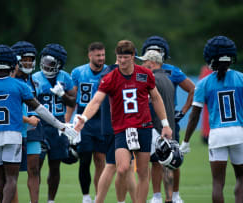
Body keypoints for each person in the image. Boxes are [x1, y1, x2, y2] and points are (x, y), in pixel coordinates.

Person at [0, 45, 77, 203]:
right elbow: (39, 109)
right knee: (12, 178)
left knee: (0, 177)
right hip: (14, 132)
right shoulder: (19, 85)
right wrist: (61, 125)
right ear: (13, 63)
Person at [74, 40, 173, 203]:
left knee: (142, 172)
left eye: (125, 57)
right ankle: (121, 200)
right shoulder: (110, 77)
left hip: (143, 127)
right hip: (121, 129)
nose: (121, 61)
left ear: (133, 56)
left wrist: (166, 124)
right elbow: (96, 101)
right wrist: (83, 118)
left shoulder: (145, 74)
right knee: (122, 168)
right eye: (119, 57)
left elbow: (156, 98)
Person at [180, 36, 243, 203]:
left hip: (217, 134)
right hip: (238, 133)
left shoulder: (204, 83)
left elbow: (194, 115)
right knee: (242, 178)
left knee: (218, 183)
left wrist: (186, 141)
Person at [141, 36, 195, 203]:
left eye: (157, 51)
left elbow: (193, 89)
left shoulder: (173, 71)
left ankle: (175, 195)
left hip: (169, 120)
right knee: (155, 161)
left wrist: (184, 111)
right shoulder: (144, 72)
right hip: (150, 120)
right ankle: (157, 196)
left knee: (173, 159)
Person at [32, 43, 76, 203]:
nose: (46, 64)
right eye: (45, 60)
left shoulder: (65, 77)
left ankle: (51, 200)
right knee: (36, 166)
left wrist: (62, 94)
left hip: (58, 126)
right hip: (40, 125)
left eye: (51, 62)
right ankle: (34, 199)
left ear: (59, 63)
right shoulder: (35, 78)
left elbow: (72, 102)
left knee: (55, 165)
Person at [67, 42, 107, 203]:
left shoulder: (109, 72)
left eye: (103, 55)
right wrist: (67, 122)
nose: (101, 59)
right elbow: (71, 100)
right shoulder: (78, 72)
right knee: (84, 160)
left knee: (100, 159)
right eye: (98, 55)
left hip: (102, 119)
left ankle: (98, 197)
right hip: (83, 120)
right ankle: (86, 197)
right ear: (90, 55)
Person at [94, 61, 137, 203]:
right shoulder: (113, 73)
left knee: (129, 167)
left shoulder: (109, 72)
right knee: (112, 166)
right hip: (116, 127)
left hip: (119, 127)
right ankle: (99, 201)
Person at [137, 50, 176, 203]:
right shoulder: (167, 79)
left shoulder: (151, 78)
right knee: (166, 164)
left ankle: (154, 197)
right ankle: (168, 198)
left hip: (154, 127)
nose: (141, 65)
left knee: (145, 165)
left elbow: (147, 103)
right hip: (168, 126)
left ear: (152, 63)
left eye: (144, 62)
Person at [11, 40, 42, 203]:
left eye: (30, 59)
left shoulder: (33, 79)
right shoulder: (10, 80)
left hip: (34, 129)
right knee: (11, 172)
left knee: (34, 169)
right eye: (25, 59)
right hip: (15, 129)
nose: (28, 62)